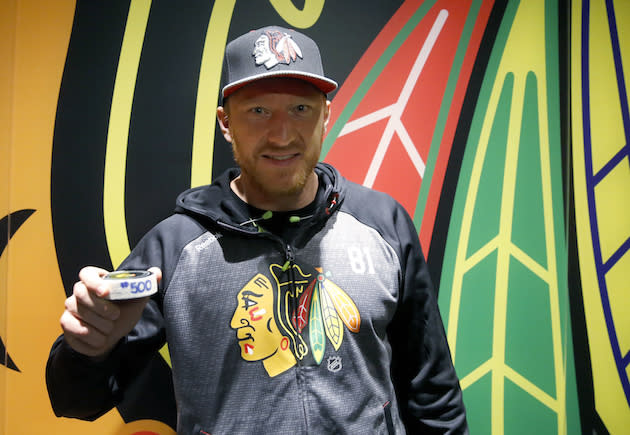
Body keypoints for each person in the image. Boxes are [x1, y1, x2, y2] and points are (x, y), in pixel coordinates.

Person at [46, 25, 468, 434]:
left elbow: (431, 391)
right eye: (258, 111)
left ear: (326, 116)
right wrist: (87, 349)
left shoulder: (383, 224)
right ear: (226, 122)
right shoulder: (174, 246)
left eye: (300, 109)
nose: (281, 135)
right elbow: (74, 401)